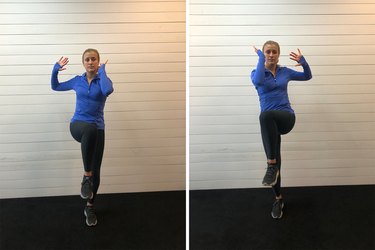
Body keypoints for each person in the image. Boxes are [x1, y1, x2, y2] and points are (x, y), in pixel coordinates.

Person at [51, 48, 114, 226]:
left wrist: (103, 72)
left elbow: (107, 90)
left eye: (94, 59)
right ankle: (86, 176)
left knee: (97, 170)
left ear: (98, 62)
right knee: (90, 129)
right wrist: (55, 69)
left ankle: (90, 206)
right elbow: (55, 86)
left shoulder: (103, 81)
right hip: (78, 126)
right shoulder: (77, 81)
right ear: (83, 62)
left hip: (97, 130)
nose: (90, 62)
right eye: (87, 59)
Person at [250, 40, 312, 219]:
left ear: (278, 54)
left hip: (286, 118)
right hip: (271, 126)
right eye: (267, 52)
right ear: (263, 54)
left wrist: (303, 62)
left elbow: (307, 76)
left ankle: (271, 165)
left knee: (265, 115)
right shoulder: (256, 73)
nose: (271, 55)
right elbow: (259, 81)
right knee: (276, 164)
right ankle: (279, 198)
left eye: (274, 52)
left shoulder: (285, 72)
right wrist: (260, 59)